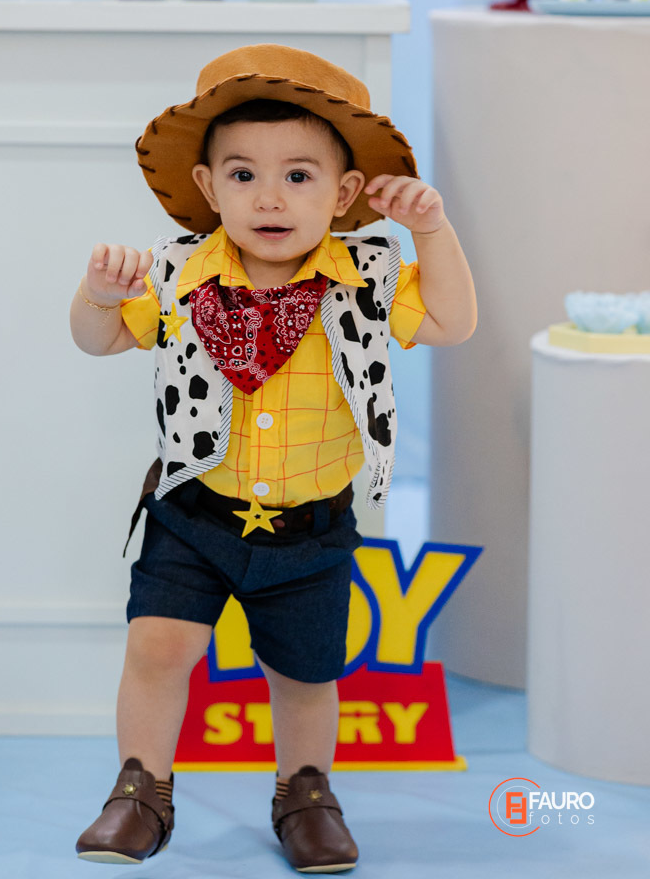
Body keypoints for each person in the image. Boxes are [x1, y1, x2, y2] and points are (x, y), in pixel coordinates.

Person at [69, 43, 477, 872]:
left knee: (304, 673)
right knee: (157, 649)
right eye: (243, 174)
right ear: (209, 186)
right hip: (194, 514)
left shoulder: (366, 275)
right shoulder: (179, 271)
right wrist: (97, 297)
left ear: (345, 192)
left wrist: (430, 231)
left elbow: (452, 322)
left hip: (310, 528)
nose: (269, 197)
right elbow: (98, 339)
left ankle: (305, 793)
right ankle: (140, 789)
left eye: (298, 175)